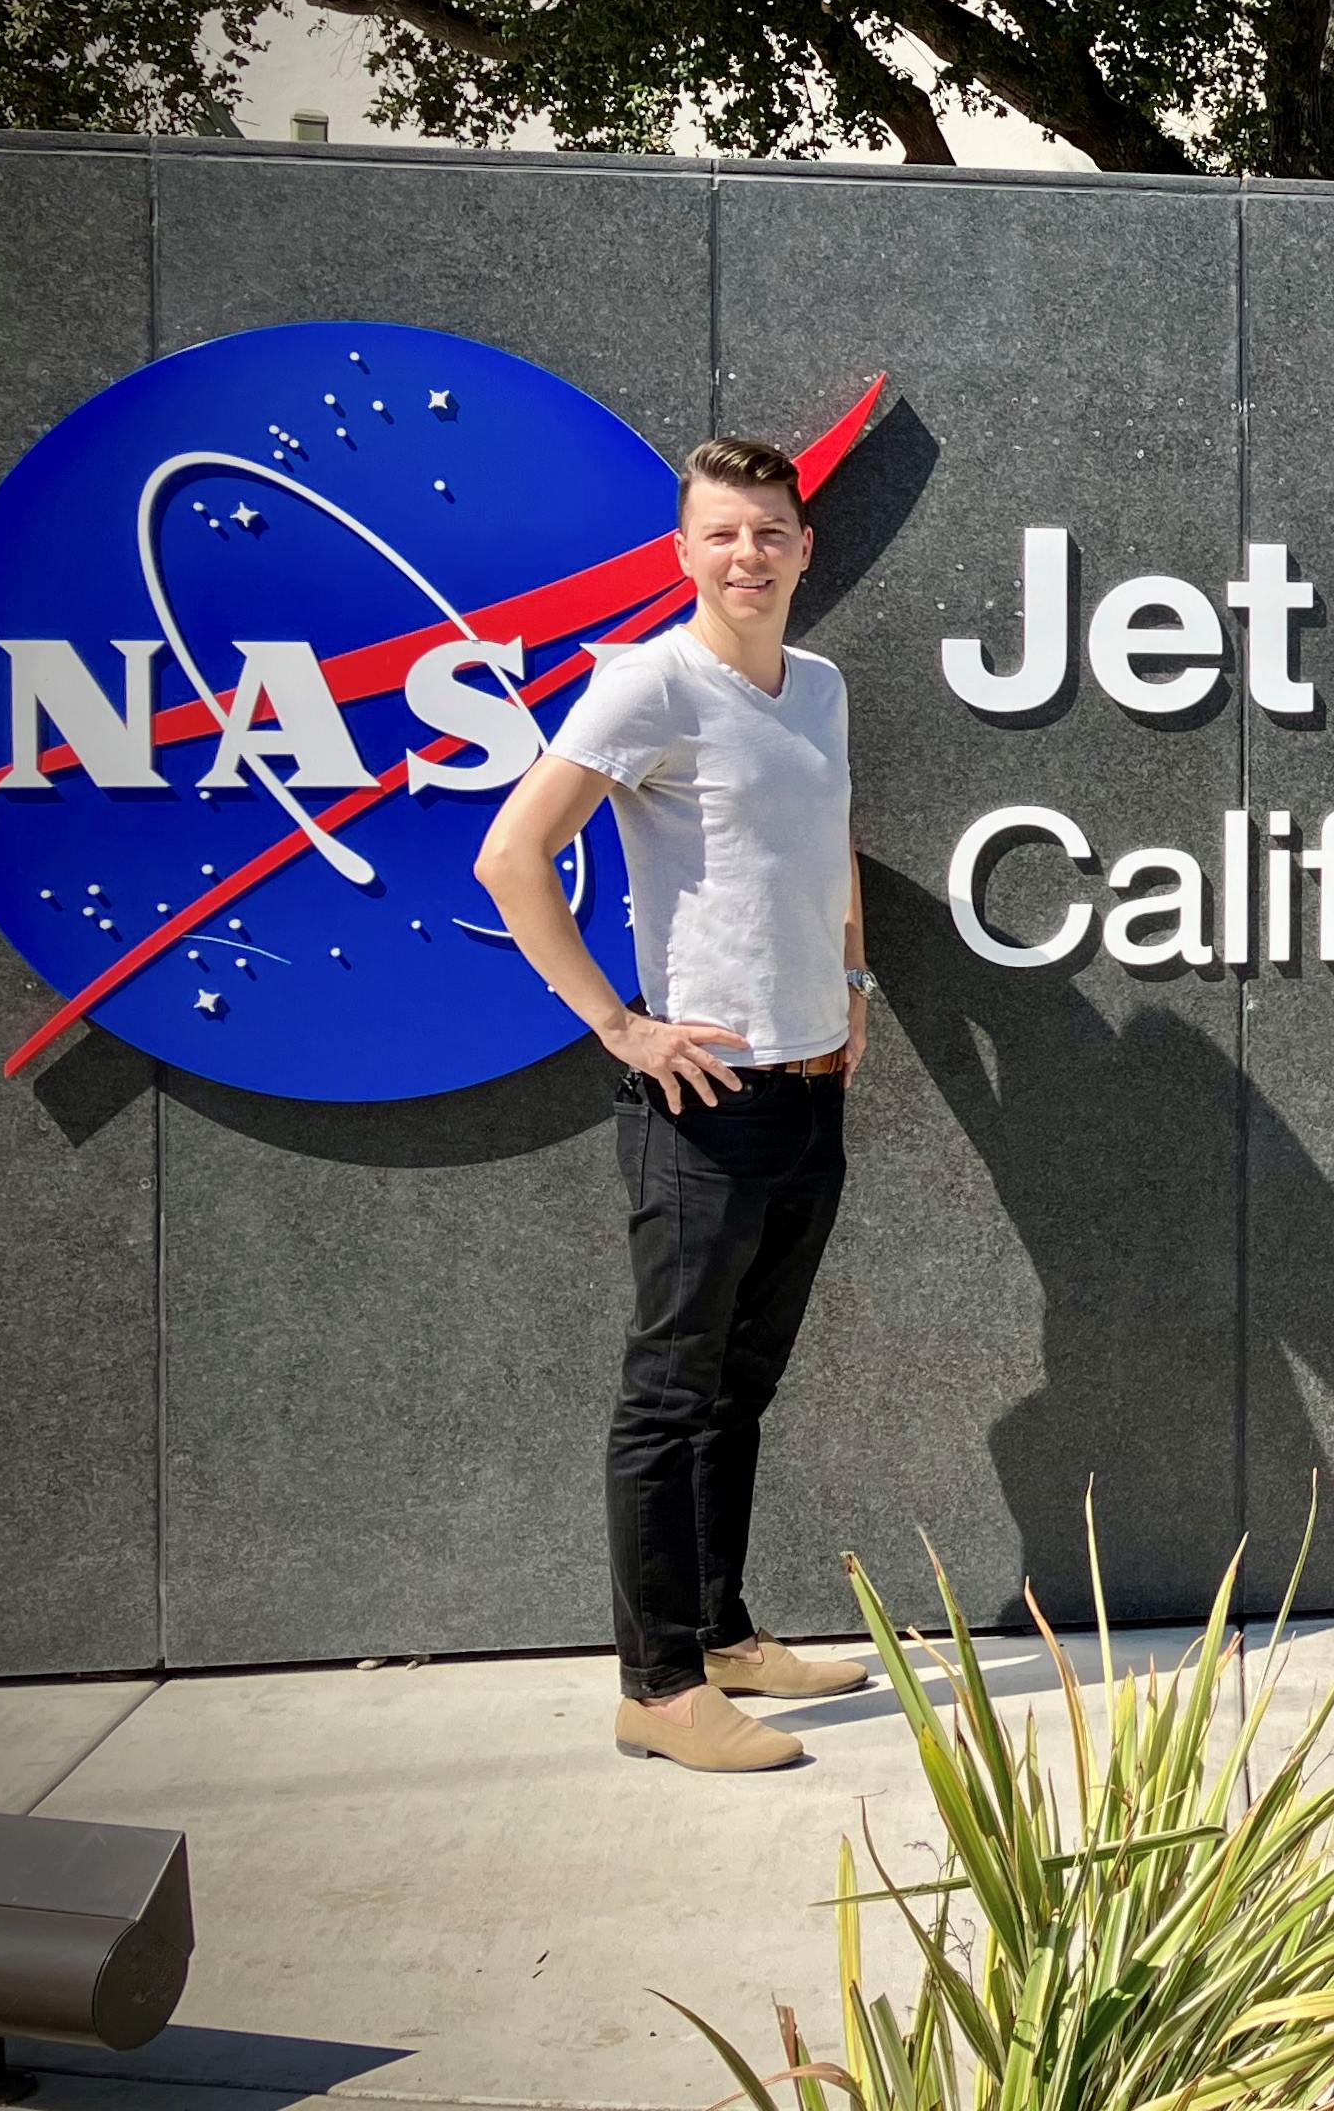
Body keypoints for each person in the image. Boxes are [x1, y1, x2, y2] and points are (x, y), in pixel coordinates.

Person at [476, 434, 876, 1773]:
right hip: (703, 1105)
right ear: (682, 551)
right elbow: (511, 856)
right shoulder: (648, 681)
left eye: (769, 531)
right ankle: (654, 1692)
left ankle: (719, 1634)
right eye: (722, 534)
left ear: (804, 547)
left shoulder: (815, 687)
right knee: (666, 1398)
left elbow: (826, 850)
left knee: (737, 1392)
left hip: (811, 1092)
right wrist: (621, 1026)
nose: (747, 555)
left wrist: (854, 979)